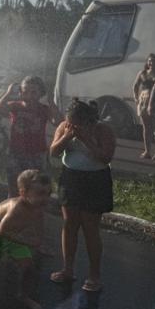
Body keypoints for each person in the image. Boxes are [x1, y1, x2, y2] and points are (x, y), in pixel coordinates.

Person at [49, 98, 115, 292]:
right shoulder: (65, 126)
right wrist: (66, 137)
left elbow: (106, 157)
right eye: (70, 121)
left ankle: (94, 276)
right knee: (69, 224)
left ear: (88, 120)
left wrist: (86, 140)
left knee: (90, 227)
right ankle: (67, 269)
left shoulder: (103, 130)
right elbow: (53, 152)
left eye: (76, 122)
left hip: (95, 180)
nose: (73, 125)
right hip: (71, 178)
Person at [0, 170, 52, 309]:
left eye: (48, 194)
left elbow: (40, 222)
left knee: (28, 267)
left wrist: (40, 240)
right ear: (23, 193)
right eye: (41, 194)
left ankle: (23, 295)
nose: (45, 199)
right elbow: (1, 231)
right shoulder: (16, 208)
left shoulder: (38, 207)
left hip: (14, 235)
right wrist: (28, 242)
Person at [0, 76, 56, 197]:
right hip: (16, 152)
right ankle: (14, 211)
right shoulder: (15, 106)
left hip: (37, 153)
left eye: (34, 92)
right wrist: (8, 93)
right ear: (20, 92)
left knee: (35, 187)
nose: (29, 95)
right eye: (25, 92)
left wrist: (51, 102)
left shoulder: (44, 109)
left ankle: (32, 212)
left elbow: (58, 121)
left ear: (41, 94)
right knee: (14, 186)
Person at [132, 53, 155, 159]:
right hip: (143, 101)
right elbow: (135, 86)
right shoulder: (142, 73)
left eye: (154, 61)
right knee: (146, 128)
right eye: (149, 61)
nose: (151, 63)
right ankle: (147, 151)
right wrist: (136, 98)